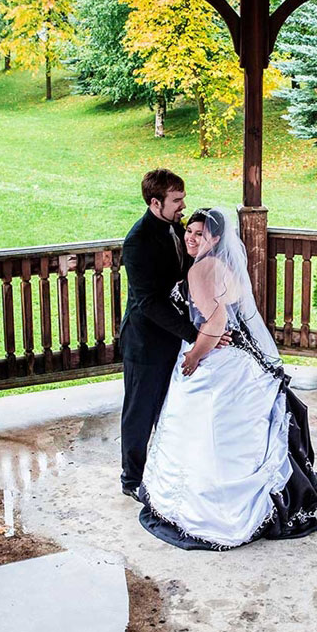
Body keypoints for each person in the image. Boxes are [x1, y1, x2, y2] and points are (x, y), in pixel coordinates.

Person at [138, 207, 317, 550]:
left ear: (215, 239)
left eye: (201, 234)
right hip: (240, 359)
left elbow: (214, 325)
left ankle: (212, 512)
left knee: (203, 429)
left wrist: (194, 356)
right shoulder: (225, 265)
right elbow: (231, 317)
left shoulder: (200, 270)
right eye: (190, 231)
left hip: (215, 362)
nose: (192, 238)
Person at [118, 170, 227, 501]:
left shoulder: (175, 229)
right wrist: (196, 334)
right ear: (155, 203)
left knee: (170, 409)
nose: (183, 206)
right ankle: (132, 479)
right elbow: (148, 301)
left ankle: (163, 470)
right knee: (141, 410)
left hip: (174, 337)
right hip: (145, 340)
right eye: (176, 200)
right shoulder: (136, 243)